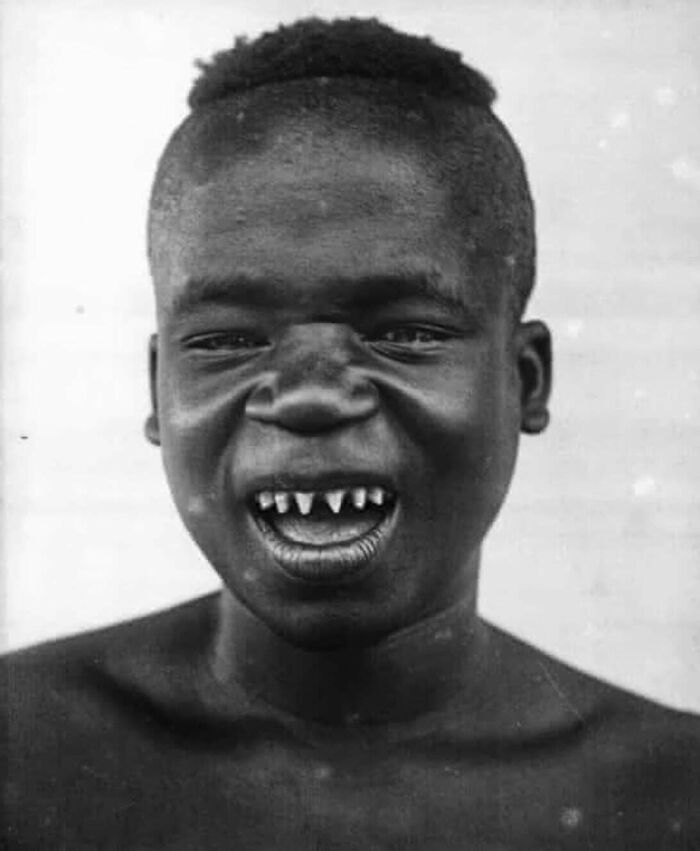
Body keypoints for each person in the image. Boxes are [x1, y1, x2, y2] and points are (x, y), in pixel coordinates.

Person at [3, 17, 698, 850]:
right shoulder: (22, 752)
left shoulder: (671, 795)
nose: (309, 398)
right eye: (226, 339)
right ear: (158, 387)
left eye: (405, 331)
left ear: (526, 380)